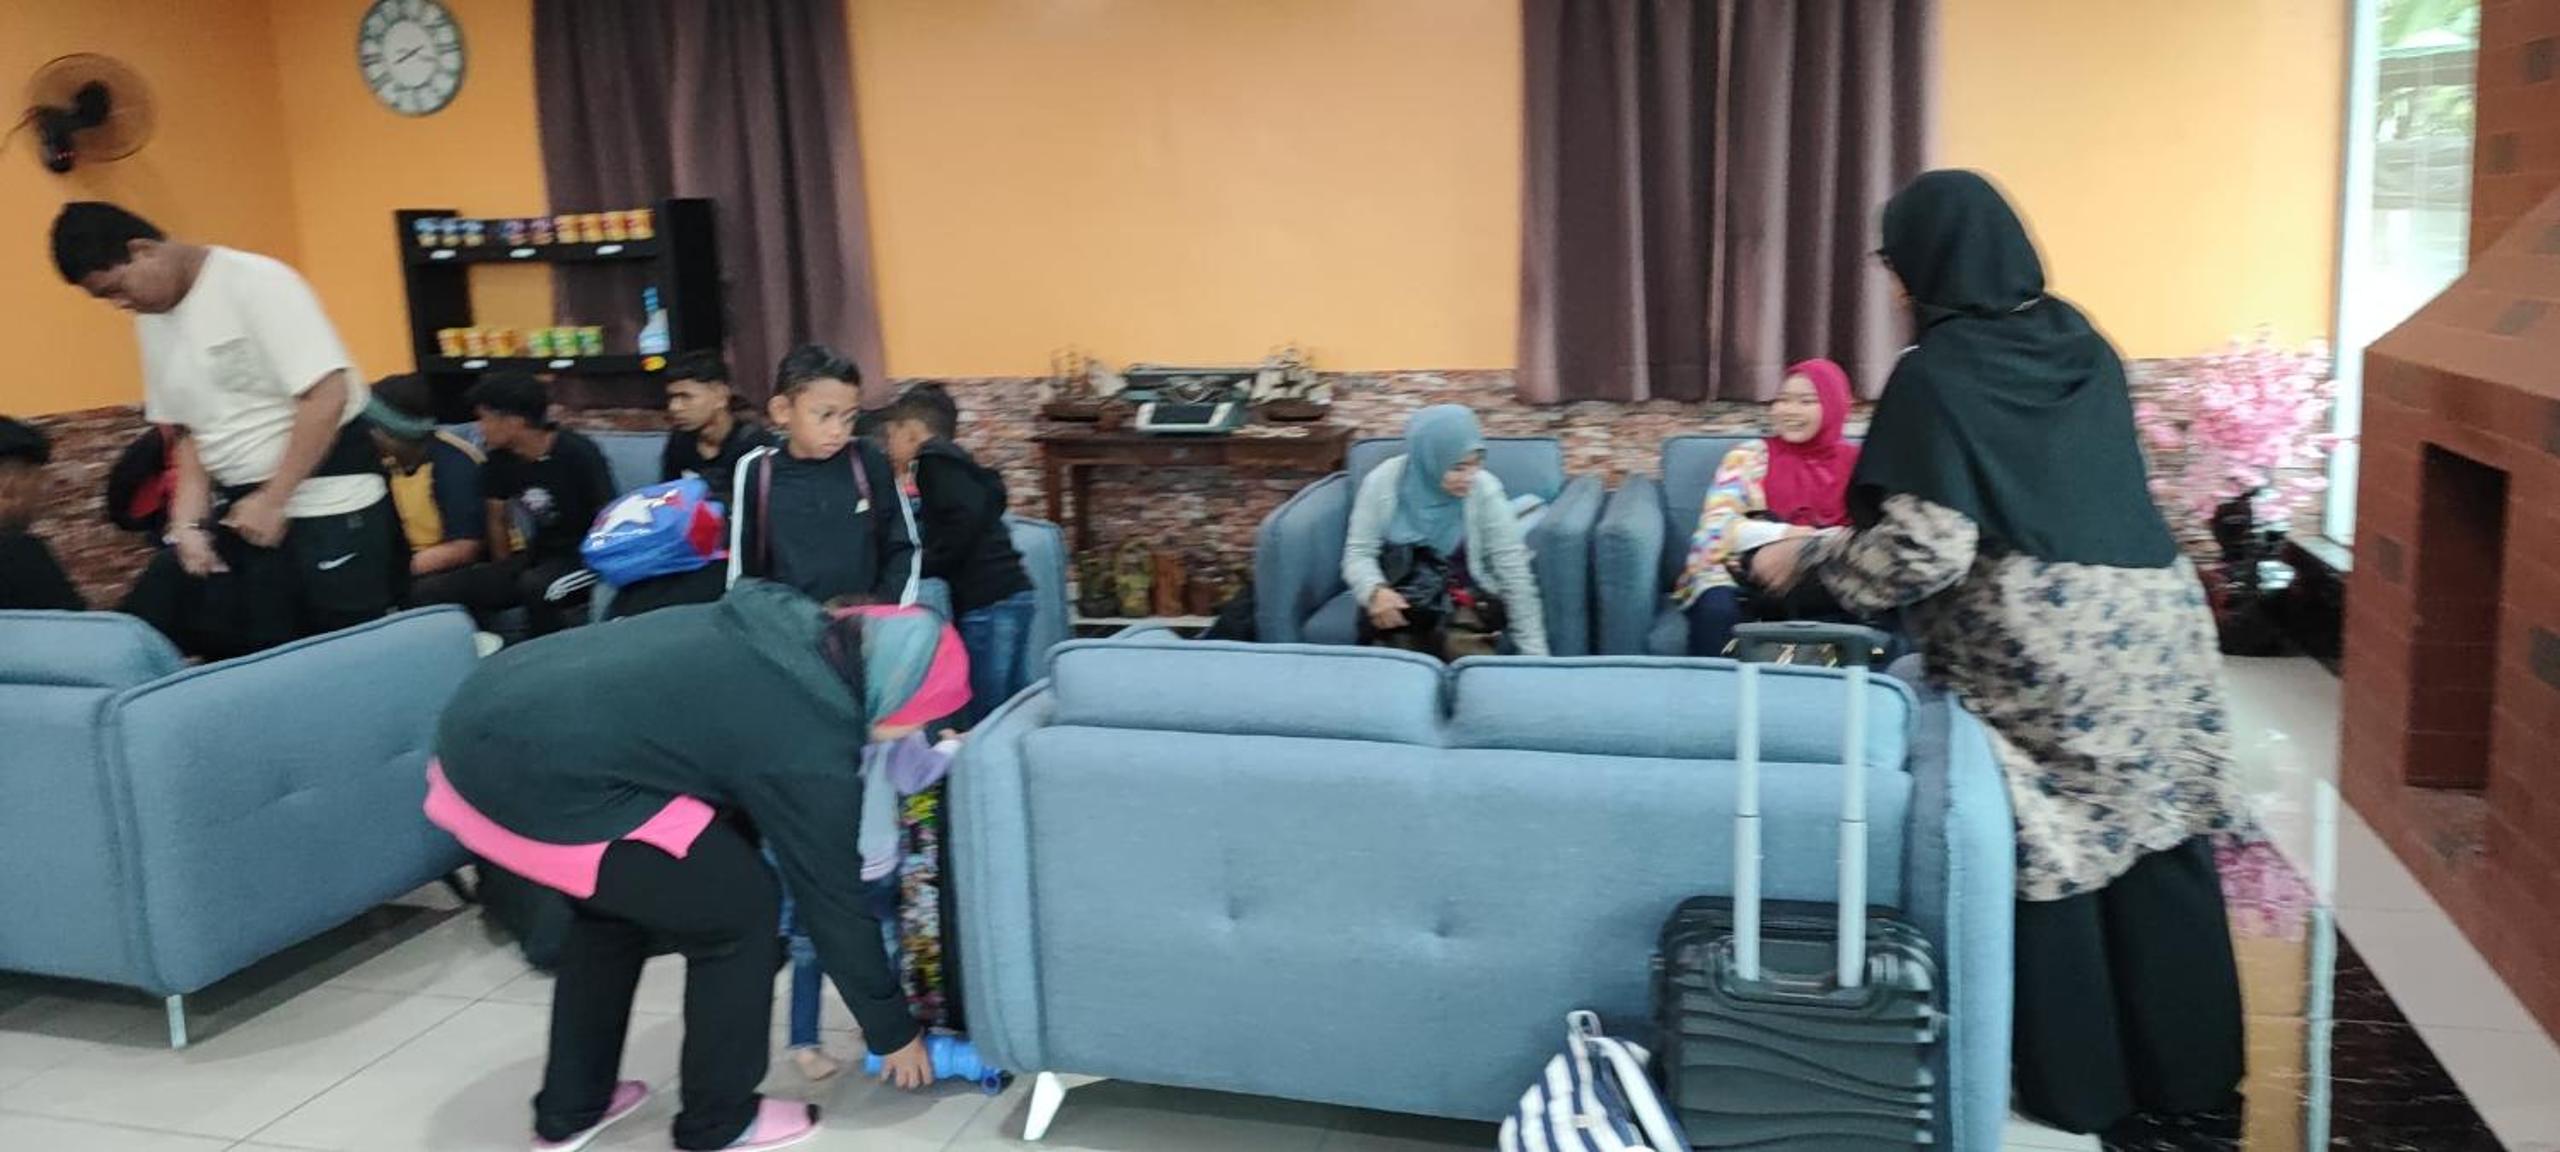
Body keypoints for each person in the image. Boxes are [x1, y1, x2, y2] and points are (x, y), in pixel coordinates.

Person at [1750, 170, 2242, 1135]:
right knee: (2158, 835)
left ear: (1930, 263)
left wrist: (1804, 562)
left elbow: (1926, 551)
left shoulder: (1938, 373)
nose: (1896, 287)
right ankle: (2193, 1085)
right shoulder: (2080, 341)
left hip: (2046, 645)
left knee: (2060, 848)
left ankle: (2088, 1092)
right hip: (2162, 627)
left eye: (1896, 265)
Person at [426, 584, 967, 1150]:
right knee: (740, 914)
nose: (915, 731)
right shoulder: (809, 742)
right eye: (920, 715)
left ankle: (571, 1110)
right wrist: (893, 1031)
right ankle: (719, 1121)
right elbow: (830, 896)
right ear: (894, 694)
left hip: (489, 719)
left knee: (614, 913)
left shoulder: (793, 637)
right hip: (535, 775)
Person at [55, 201, 398, 655]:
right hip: (248, 510)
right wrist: (186, 524)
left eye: (116, 289)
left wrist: (274, 498)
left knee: (348, 654)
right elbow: (190, 432)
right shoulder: (152, 322)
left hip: (329, 499)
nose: (120, 304)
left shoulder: (256, 283)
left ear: (143, 250)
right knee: (268, 652)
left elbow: (326, 396)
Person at [1670, 359, 1864, 656]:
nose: (1790, 410)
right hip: (1739, 573)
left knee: (1860, 607)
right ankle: (1715, 685)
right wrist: (1789, 533)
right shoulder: (1748, 456)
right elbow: (1718, 528)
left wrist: (1802, 546)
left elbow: (1873, 535)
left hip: (1826, 575)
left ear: (1834, 405)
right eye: (1783, 399)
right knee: (1716, 610)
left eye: (1806, 401)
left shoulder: (1860, 465)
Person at [875, 382, 1036, 727]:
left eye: (891, 435)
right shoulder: (960, 464)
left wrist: (922, 564)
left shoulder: (931, 463)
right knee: (1013, 706)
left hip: (988, 600)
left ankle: (982, 762)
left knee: (985, 715)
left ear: (912, 432)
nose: (888, 446)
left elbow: (964, 520)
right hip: (1015, 592)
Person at [415, 373, 613, 637]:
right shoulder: (500, 461)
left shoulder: (577, 452)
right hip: (539, 556)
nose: (479, 428)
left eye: (485, 418)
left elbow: (608, 513)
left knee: (536, 587)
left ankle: (545, 657)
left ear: (514, 422)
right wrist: (501, 570)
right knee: (431, 589)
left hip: (584, 558)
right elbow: (497, 517)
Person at [1343, 405, 1547, 658]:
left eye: (1476, 464)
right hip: (1404, 599)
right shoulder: (1382, 482)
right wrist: (1375, 591)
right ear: (1429, 461)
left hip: (1463, 602)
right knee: (1398, 658)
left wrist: (1535, 657)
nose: (1469, 477)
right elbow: (1358, 553)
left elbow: (1514, 573)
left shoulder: (1484, 490)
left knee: (1462, 651)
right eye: (1458, 468)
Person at [727, 344, 917, 607]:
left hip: (865, 621)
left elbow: (902, 548)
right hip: (787, 624)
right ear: (782, 410)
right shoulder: (757, 470)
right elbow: (743, 573)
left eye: (849, 418)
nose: (838, 430)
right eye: (825, 415)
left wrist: (883, 610)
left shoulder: (867, 460)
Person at [363, 373, 489, 595]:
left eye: (371, 428)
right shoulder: (387, 463)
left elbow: (465, 547)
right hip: (407, 561)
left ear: (391, 432)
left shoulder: (454, 464)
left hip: (451, 570)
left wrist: (392, 573)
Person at [0, 417, 83, 611]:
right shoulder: (17, 554)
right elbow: (72, 627)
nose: (42, 491)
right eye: (36, 478)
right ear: (9, 486)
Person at [658, 350, 766, 495]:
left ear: (721, 396)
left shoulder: (756, 445)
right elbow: (668, 495)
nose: (674, 407)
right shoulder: (679, 441)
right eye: (672, 398)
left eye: (685, 397)